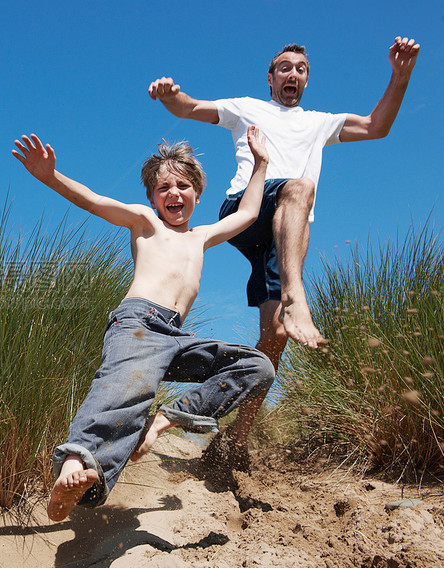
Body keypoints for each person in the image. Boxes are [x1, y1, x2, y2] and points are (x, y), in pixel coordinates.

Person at [147, 37, 420, 468]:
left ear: (306, 80)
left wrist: (400, 76)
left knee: (274, 338)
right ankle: (296, 296)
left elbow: (376, 126)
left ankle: (236, 436)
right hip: (247, 208)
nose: (293, 74)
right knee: (300, 188)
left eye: (301, 69)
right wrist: (170, 94)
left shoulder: (320, 122)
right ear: (271, 77)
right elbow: (188, 107)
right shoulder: (246, 108)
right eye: (284, 68)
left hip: (283, 237)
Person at [11, 126, 275, 522]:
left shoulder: (201, 236)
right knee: (119, 393)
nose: (174, 193)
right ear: (152, 197)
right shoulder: (145, 223)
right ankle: (76, 467)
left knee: (257, 366)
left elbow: (249, 212)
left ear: (197, 195)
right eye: (164, 187)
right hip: (139, 323)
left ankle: (164, 420)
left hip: (176, 337)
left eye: (183, 186)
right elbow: (95, 201)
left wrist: (261, 163)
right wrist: (51, 176)